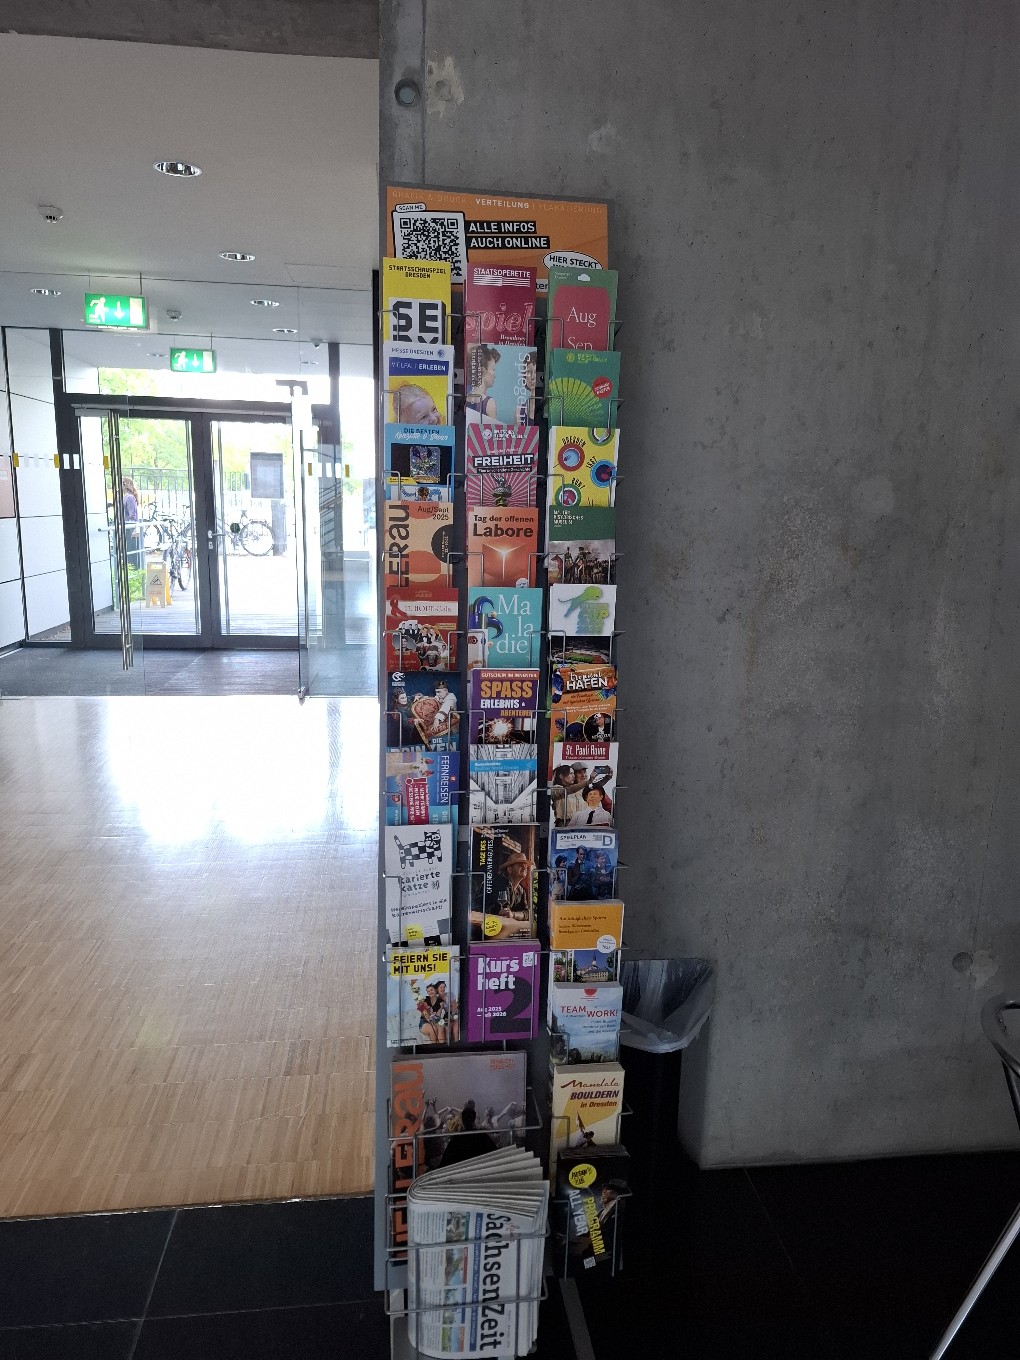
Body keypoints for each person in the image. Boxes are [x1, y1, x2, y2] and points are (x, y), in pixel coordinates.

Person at [466, 344, 499, 420]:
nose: (495, 375)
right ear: (483, 371)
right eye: (493, 369)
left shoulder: (467, 397)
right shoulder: (489, 403)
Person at [122, 476, 142, 568]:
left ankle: (133, 570)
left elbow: (132, 515)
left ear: (125, 485)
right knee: (130, 552)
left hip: (130, 529)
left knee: (131, 552)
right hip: (130, 529)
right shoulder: (127, 497)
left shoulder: (129, 498)